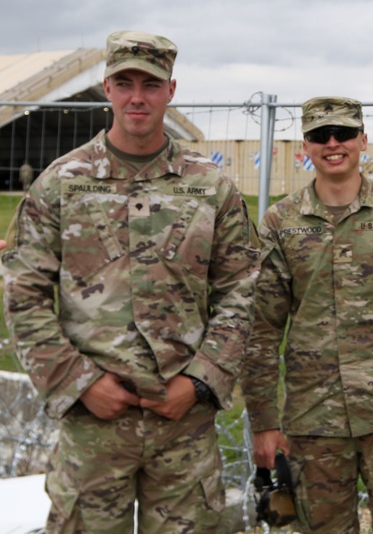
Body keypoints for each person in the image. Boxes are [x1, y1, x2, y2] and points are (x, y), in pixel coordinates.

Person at [1, 30, 260, 533]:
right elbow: (23, 294)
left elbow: (243, 292)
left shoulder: (211, 187)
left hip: (183, 424)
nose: (137, 96)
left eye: (150, 83)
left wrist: (201, 380)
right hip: (93, 426)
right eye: (125, 83)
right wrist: (81, 383)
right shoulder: (61, 181)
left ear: (171, 90)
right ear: (107, 89)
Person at [243, 96, 373, 533]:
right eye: (320, 135)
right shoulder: (281, 222)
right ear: (306, 146)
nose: (333, 143)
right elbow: (260, 330)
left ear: (363, 140)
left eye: (344, 134)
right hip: (313, 422)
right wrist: (263, 422)